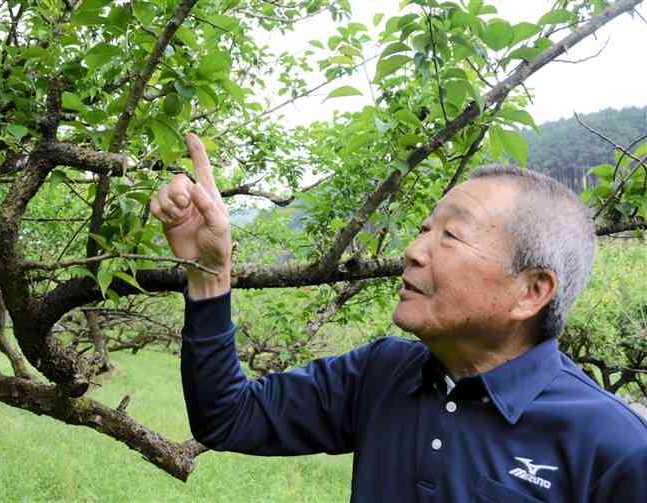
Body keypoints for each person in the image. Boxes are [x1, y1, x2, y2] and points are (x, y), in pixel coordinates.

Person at [150, 134, 647, 502]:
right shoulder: (381, 374)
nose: (412, 252)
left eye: (450, 237)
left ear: (531, 291)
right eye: (423, 229)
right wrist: (209, 274)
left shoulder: (614, 446)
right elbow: (227, 417)